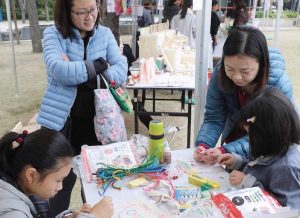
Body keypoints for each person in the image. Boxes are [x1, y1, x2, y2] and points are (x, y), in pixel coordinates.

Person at [37, 0, 127, 215]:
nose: (89, 17)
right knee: (57, 186)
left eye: (93, 9)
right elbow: (59, 69)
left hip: (98, 125)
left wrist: (78, 72)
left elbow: (121, 71)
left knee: (98, 183)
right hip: (62, 123)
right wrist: (99, 65)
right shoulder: (54, 34)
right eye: (81, 12)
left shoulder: (104, 34)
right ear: (67, 11)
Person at [194, 25, 293, 165]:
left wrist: (226, 150)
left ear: (262, 63)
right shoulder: (220, 74)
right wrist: (204, 145)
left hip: (269, 157)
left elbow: (270, 134)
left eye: (245, 71)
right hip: (233, 149)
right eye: (230, 68)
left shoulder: (279, 84)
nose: (237, 77)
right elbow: (214, 117)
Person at [0, 128, 114, 217]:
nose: (60, 187)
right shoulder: (12, 212)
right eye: (58, 180)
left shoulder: (17, 184)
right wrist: (95, 216)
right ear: (31, 175)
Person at [218, 88, 300, 210]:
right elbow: (257, 169)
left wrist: (248, 183)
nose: (250, 138)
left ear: (269, 134)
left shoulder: (286, 168)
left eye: (251, 134)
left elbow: (287, 210)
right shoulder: (269, 147)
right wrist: (237, 162)